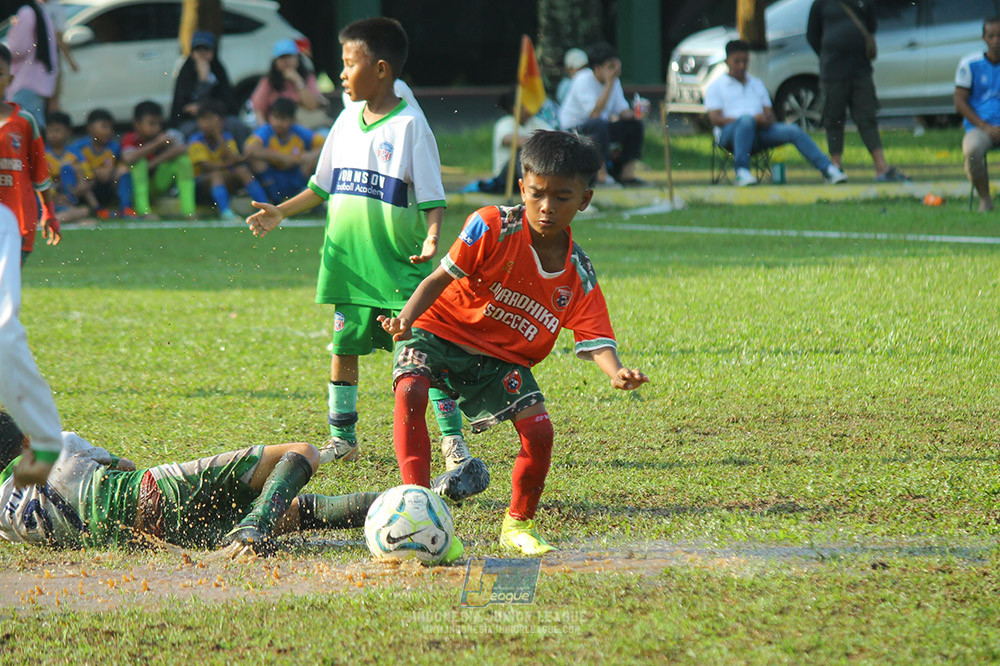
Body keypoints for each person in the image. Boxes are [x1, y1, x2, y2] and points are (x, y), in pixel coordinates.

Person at [380, 130, 649, 557]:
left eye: (562, 197)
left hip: (500, 359)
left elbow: (596, 335)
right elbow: (438, 278)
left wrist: (616, 371)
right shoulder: (491, 225)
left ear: (585, 199)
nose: (547, 207)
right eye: (537, 194)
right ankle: (417, 504)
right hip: (437, 331)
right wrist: (405, 320)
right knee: (410, 388)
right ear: (522, 188)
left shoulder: (577, 273)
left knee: (539, 430)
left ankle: (518, 524)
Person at [247, 18, 476, 489]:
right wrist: (280, 212)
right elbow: (321, 185)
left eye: (351, 64)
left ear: (382, 68)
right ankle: (343, 437)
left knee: (420, 355)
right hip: (348, 263)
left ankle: (453, 438)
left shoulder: (412, 126)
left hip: (399, 265)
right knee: (344, 348)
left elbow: (432, 195)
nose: (343, 73)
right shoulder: (346, 121)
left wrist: (433, 236)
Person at [0, 411, 380, 557]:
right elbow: (126, 464)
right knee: (303, 451)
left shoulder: (3, 519)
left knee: (289, 513)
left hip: (146, 540)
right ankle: (252, 530)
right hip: (155, 492)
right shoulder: (55, 444)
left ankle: (251, 528)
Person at [705, 40, 848, 187]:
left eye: (745, 61)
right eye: (737, 61)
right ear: (727, 61)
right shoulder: (717, 86)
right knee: (746, 121)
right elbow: (715, 119)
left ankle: (829, 169)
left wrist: (764, 120)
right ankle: (742, 171)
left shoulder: (756, 84)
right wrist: (749, 120)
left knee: (793, 130)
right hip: (730, 135)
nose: (742, 66)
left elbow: (770, 115)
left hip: (759, 132)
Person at [807, 0, 908, 182]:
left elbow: (871, 27)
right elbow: (812, 35)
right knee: (834, 118)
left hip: (861, 70)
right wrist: (829, 53)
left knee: (867, 117)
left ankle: (881, 167)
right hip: (833, 71)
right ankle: (835, 166)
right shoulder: (820, 3)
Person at [557, 42, 645, 186]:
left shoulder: (614, 82)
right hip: (574, 129)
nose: (615, 71)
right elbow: (594, 113)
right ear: (597, 68)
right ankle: (601, 175)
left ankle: (627, 173)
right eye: (610, 67)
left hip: (600, 127)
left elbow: (622, 110)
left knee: (634, 125)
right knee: (598, 125)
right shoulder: (583, 80)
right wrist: (609, 84)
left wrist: (637, 114)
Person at [188, 100, 270, 219]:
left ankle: (265, 207)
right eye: (203, 119)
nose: (207, 123)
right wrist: (229, 163)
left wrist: (218, 136)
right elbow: (207, 167)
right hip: (200, 185)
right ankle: (226, 213)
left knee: (242, 170)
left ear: (221, 121)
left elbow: (234, 160)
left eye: (211, 119)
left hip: (222, 181)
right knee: (216, 173)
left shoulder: (226, 137)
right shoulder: (196, 140)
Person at [120, 100, 196, 220]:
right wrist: (157, 144)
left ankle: (189, 211)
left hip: (157, 184)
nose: (156, 128)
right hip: (135, 188)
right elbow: (128, 158)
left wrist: (154, 162)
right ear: (137, 124)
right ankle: (144, 211)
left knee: (183, 160)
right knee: (139, 162)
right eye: (151, 124)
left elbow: (183, 148)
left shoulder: (165, 136)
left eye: (158, 123)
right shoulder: (131, 138)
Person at [955, 17, 1000, 212]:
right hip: (980, 127)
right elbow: (959, 100)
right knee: (972, 151)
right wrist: (985, 127)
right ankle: (985, 199)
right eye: (991, 36)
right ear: (984, 38)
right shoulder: (969, 64)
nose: (996, 40)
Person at [243, 98, 324, 204]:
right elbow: (249, 149)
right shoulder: (266, 131)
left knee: (315, 160)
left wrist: (309, 155)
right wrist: (281, 157)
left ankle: (307, 198)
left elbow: (325, 144)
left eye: (283, 119)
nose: (278, 123)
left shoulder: (298, 131)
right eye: (275, 117)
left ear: (292, 120)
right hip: (273, 177)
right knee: (257, 161)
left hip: (295, 175)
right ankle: (269, 201)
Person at [169, 31, 240, 140]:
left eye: (206, 50)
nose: (202, 54)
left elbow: (229, 102)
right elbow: (181, 107)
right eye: (198, 50)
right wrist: (203, 80)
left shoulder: (218, 70)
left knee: (236, 125)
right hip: (192, 121)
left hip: (218, 117)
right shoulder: (186, 73)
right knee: (189, 131)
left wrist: (204, 107)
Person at [69, 108, 133, 219]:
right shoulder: (79, 147)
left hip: (105, 185)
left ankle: (126, 209)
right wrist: (94, 173)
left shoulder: (114, 147)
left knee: (123, 170)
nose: (108, 131)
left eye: (110, 127)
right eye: (104, 127)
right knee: (79, 172)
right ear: (90, 128)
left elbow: (112, 169)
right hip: (87, 189)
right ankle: (97, 209)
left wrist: (108, 171)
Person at [250, 39, 328, 128]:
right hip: (279, 131)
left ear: (298, 58)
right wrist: (266, 132)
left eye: (290, 57)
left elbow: (312, 106)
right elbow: (258, 110)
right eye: (282, 58)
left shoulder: (308, 78)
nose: (286, 61)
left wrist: (298, 81)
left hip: (307, 128)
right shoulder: (268, 81)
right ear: (275, 61)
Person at [4, 1, 58, 129]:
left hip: (26, 81)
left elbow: (18, 48)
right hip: (38, 80)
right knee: (33, 125)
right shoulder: (39, 10)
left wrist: (4, 48)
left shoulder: (26, 12)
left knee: (24, 127)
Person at [44, 111, 91, 225]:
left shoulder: (75, 153)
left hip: (70, 198)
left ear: (68, 132)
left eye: (57, 130)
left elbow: (88, 177)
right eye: (50, 131)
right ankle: (50, 220)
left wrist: (81, 185)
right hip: (49, 200)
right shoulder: (43, 154)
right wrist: (55, 197)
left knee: (68, 169)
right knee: (84, 212)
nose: (53, 135)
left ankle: (64, 216)